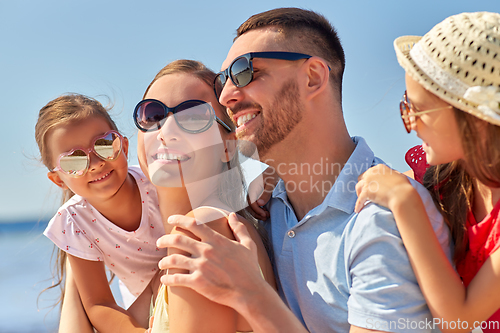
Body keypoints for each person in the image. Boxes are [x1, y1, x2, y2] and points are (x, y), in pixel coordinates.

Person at [154, 8, 452, 333]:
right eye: (223, 80)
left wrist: (252, 293)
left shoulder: (382, 222)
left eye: (244, 72)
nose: (226, 96)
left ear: (313, 77)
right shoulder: (269, 198)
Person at [355, 12, 500, 333]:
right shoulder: (447, 173)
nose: (410, 124)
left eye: (420, 110)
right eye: (407, 106)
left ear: (475, 120)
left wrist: (406, 203)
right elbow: (376, 181)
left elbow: (458, 320)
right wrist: (276, 184)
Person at [133, 59, 276, 332]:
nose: (166, 131)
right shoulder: (206, 227)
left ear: (228, 146)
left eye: (193, 117)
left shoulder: (201, 231)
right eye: (152, 115)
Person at [36, 94, 166, 332]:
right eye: (74, 162)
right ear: (58, 180)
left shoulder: (157, 183)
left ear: (124, 146)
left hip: (185, 276)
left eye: (105, 144)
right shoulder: (73, 222)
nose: (95, 163)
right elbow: (99, 304)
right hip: (143, 311)